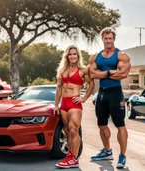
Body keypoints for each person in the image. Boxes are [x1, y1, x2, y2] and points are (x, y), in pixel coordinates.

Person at [89, 27, 131, 169]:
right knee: (101, 124)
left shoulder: (121, 56)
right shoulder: (95, 57)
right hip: (101, 93)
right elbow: (92, 74)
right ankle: (107, 151)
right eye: (105, 38)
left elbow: (123, 74)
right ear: (102, 39)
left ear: (114, 39)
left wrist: (101, 73)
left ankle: (122, 156)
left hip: (115, 92)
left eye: (110, 38)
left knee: (120, 125)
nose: (108, 41)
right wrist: (109, 72)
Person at [54, 44, 94, 169]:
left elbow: (91, 84)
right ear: (67, 56)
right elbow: (59, 87)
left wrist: (84, 98)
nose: (72, 56)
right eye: (70, 54)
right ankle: (70, 156)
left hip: (74, 103)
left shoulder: (83, 70)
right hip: (64, 104)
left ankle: (73, 158)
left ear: (78, 56)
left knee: (73, 129)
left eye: (74, 54)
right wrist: (56, 105)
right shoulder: (62, 71)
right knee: (67, 130)